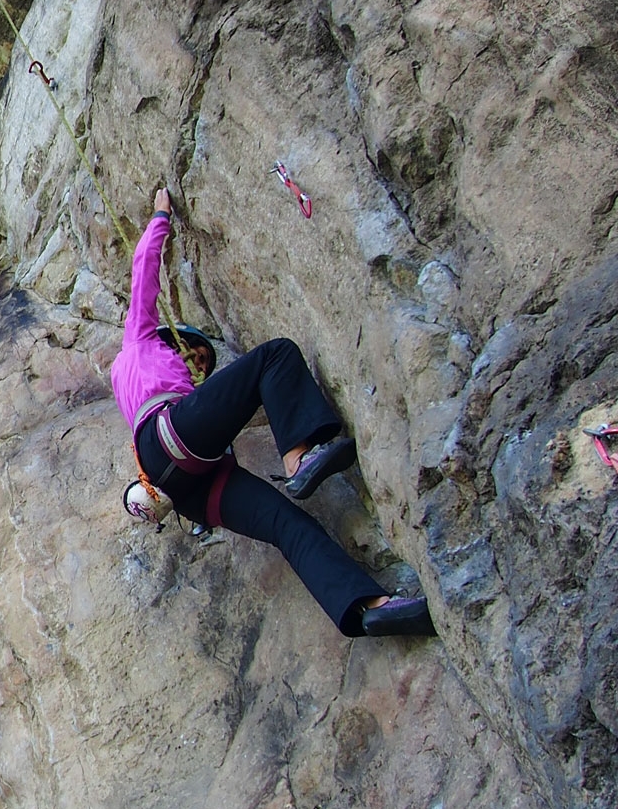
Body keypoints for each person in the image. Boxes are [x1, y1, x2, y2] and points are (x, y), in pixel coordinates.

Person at [111, 187, 435, 638]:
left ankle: (369, 608)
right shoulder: (140, 341)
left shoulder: (140, 384)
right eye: (195, 355)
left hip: (189, 482)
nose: (200, 367)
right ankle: (298, 458)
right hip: (169, 435)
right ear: (171, 339)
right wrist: (161, 216)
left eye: (204, 363)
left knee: (286, 524)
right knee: (275, 356)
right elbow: (143, 271)